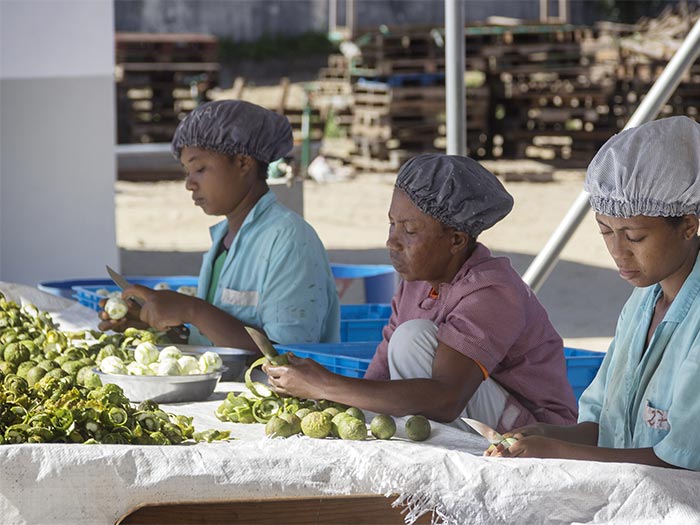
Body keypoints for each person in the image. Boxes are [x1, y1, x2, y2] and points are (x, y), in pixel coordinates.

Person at [265, 154, 578, 430]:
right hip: (470, 414)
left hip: (533, 432)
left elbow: (446, 399)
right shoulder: (416, 281)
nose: (392, 241)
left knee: (412, 336)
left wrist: (324, 384)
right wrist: (333, 406)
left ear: (456, 240)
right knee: (402, 344)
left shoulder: (492, 291)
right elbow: (381, 373)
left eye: (410, 231)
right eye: (392, 225)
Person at [486, 116, 700, 470]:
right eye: (605, 231)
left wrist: (555, 452)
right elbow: (604, 429)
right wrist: (542, 435)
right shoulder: (643, 302)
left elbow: (682, 464)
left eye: (635, 236)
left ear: (688, 226)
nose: (618, 251)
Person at [99, 100, 340, 352]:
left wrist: (192, 310)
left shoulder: (289, 240)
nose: (189, 184)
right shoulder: (225, 240)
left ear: (243, 163)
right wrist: (154, 323)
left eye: (200, 169)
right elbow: (213, 340)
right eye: (187, 172)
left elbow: (289, 359)